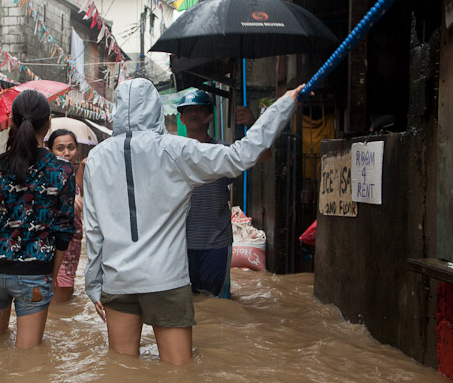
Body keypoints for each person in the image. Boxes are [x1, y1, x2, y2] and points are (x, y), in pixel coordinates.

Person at [84, 78, 304, 365]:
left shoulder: (96, 158)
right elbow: (241, 156)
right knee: (179, 376)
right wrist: (284, 104)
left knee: (123, 370)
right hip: (165, 280)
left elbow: (93, 229)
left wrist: (93, 285)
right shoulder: (176, 149)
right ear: (155, 109)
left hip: (117, 281)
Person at [0, 90, 75, 348]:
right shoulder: (61, 169)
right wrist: (52, 276)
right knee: (28, 359)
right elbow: (64, 232)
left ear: (14, 123)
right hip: (34, 273)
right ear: (49, 122)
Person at [177, 90, 235, 298]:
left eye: (199, 109)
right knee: (187, 303)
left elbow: (260, 156)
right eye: (188, 111)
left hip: (216, 242)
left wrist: (252, 125)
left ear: (210, 115)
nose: (194, 114)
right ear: (181, 118)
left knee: (216, 305)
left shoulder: (225, 152)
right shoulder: (173, 153)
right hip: (180, 243)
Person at [46, 129, 86, 304]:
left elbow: (77, 189)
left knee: (65, 289)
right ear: (50, 151)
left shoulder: (71, 171)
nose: (67, 152)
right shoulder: (48, 174)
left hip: (73, 242)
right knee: (58, 289)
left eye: (71, 147)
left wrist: (83, 167)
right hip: (56, 242)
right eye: (60, 148)